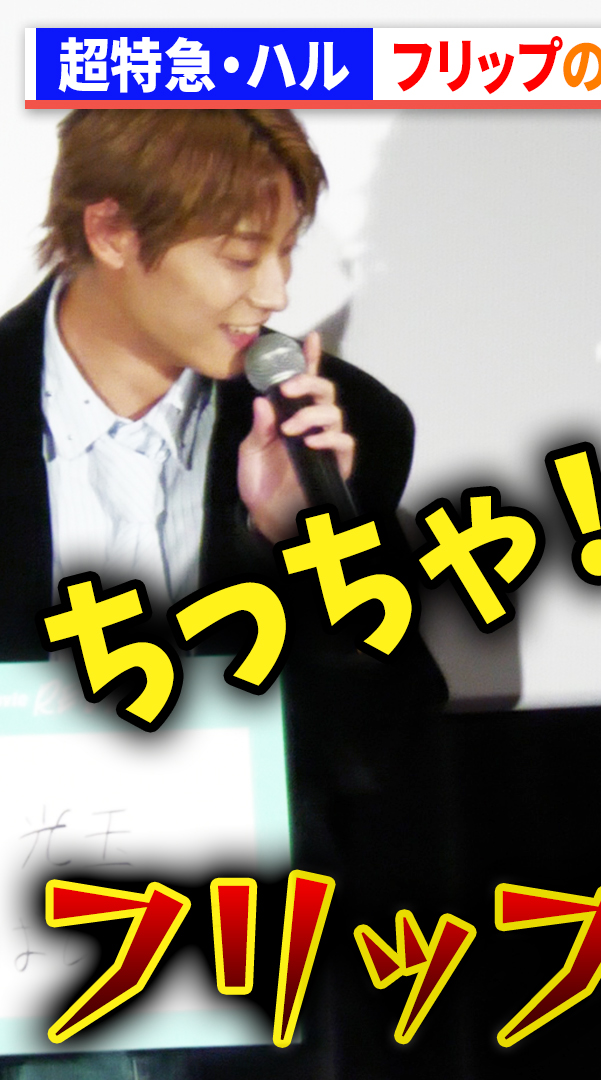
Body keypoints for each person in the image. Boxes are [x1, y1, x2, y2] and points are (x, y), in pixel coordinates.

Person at [0, 110, 440, 1080]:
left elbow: (384, 740)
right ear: (112, 231)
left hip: (240, 979)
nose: (275, 294)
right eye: (241, 257)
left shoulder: (345, 422)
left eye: (286, 254)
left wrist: (302, 537)